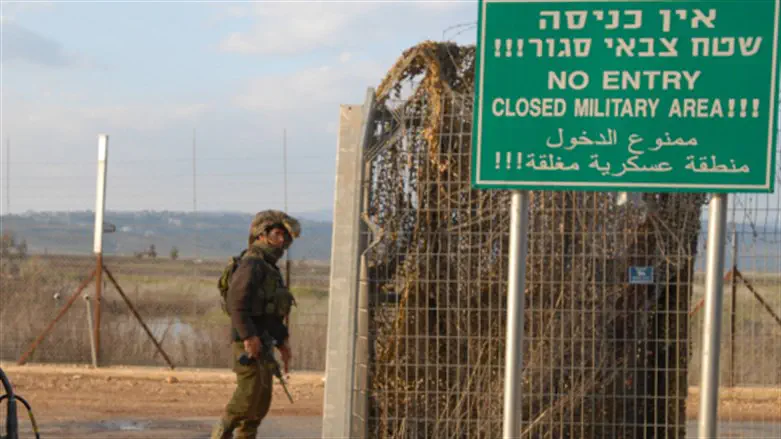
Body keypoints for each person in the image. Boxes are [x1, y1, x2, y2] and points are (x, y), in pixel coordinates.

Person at [210, 210, 301, 439]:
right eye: (277, 235)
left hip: (264, 341)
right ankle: (221, 433)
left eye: (285, 237)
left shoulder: (269, 267)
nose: (282, 241)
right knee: (248, 396)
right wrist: (249, 337)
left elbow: (272, 313)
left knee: (260, 403)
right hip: (249, 342)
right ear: (261, 235)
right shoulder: (252, 263)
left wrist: (283, 341)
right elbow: (236, 303)